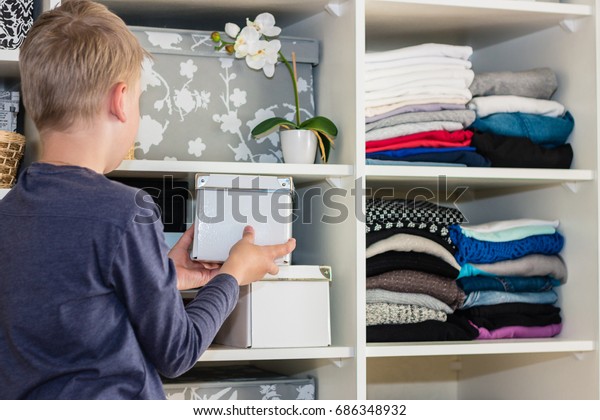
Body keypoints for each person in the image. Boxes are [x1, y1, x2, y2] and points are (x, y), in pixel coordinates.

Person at [0, 0, 295, 399]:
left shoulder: (10, 212)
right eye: (140, 100)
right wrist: (233, 275)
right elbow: (177, 351)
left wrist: (162, 277)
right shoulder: (126, 210)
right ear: (121, 100)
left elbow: (76, 303)